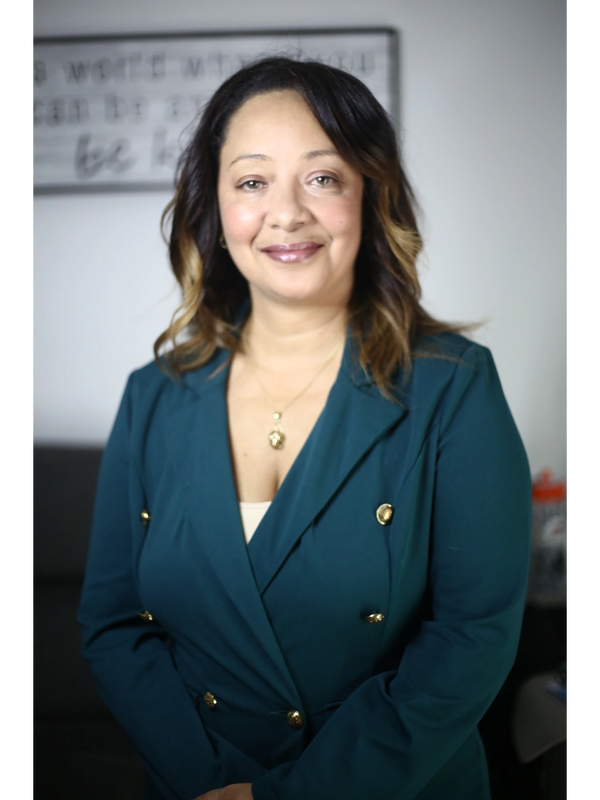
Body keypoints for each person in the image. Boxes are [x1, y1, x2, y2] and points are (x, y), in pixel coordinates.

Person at [78, 56, 532, 800]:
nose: (286, 213)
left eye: (322, 177)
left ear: (369, 196)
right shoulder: (152, 397)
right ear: (216, 210)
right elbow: (113, 624)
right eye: (252, 182)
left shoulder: (454, 382)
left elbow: (472, 638)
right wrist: (210, 783)